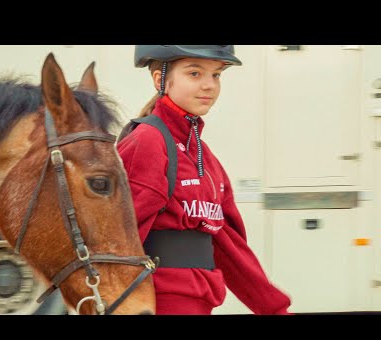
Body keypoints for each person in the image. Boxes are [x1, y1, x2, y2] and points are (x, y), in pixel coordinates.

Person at [117, 45, 292, 315]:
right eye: (195, 73)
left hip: (201, 301)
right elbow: (117, 238)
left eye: (217, 75)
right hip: (157, 301)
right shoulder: (148, 141)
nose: (209, 86)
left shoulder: (205, 158)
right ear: (159, 80)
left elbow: (228, 246)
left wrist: (274, 309)